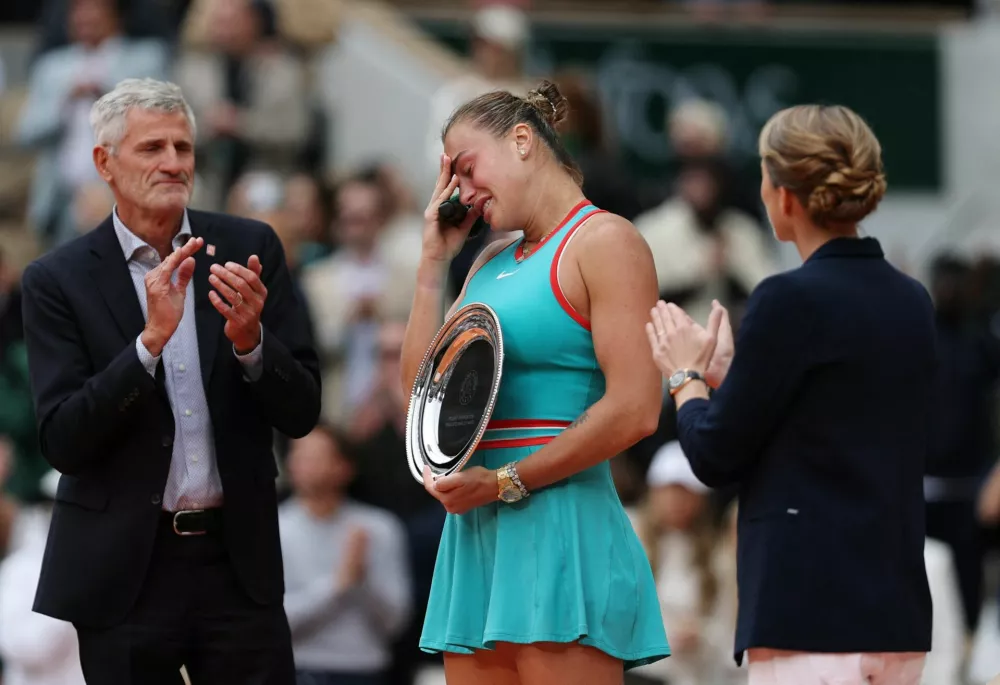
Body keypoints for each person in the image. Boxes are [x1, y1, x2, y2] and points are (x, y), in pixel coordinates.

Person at [21, 77, 321, 684]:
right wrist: (148, 345)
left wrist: (252, 343)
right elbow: (63, 440)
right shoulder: (56, 279)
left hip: (237, 563)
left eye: (183, 147)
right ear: (104, 162)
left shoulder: (249, 247)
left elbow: (303, 410)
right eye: (152, 147)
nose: (174, 162)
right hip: (123, 570)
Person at [645, 104, 935, 685]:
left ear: (783, 194)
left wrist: (684, 378)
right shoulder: (912, 299)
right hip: (896, 620)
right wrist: (733, 379)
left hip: (810, 615)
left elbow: (713, 456)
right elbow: (832, 421)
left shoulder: (787, 300)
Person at [400, 80, 671, 685]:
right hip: (477, 533)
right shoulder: (486, 261)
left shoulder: (606, 240)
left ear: (522, 141)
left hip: (560, 528)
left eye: (467, 169)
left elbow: (636, 409)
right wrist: (432, 265)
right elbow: (422, 400)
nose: (461, 194)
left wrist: (503, 482)